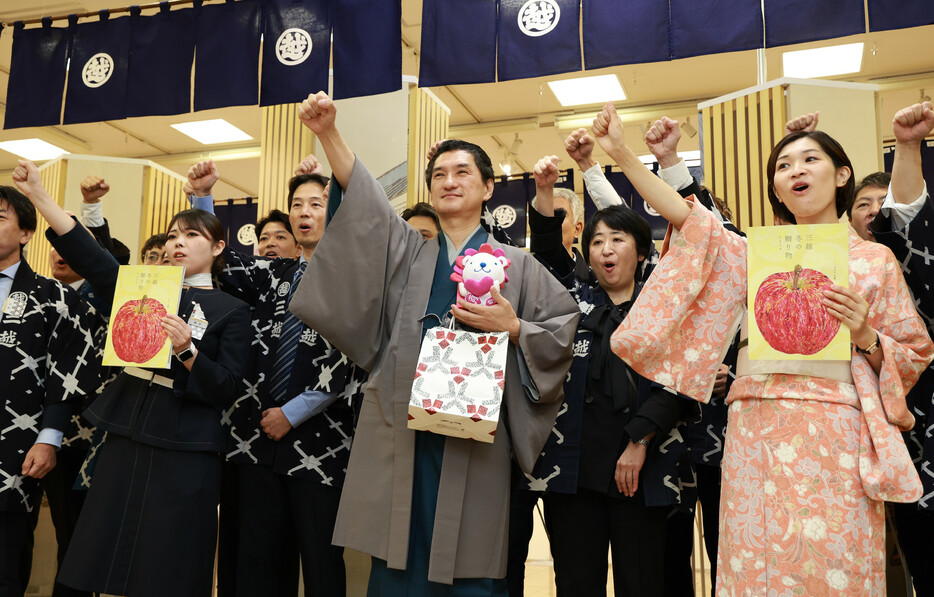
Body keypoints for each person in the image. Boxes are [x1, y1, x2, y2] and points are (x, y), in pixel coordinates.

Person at [595, 102, 934, 594]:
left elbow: (914, 353)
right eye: (782, 165)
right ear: (776, 187)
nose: (794, 170)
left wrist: (867, 336)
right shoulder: (756, 253)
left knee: (836, 561)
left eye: (809, 160)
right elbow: (690, 219)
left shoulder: (873, 259)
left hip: (836, 431)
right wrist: (622, 153)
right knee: (756, 563)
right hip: (757, 429)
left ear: (842, 176)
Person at [289, 91, 579, 594]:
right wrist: (328, 133)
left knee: (469, 561)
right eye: (440, 174)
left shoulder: (522, 266)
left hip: (478, 435)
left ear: (489, 187)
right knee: (399, 553)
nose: (449, 181)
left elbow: (559, 332)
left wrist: (514, 328)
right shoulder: (406, 252)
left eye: (463, 172)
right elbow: (367, 204)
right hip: (403, 425)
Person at [14, 159, 252, 597]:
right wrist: (38, 195)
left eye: (192, 235)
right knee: (104, 552)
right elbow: (93, 258)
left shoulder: (232, 310)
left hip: (186, 447)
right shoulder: (147, 287)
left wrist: (187, 352)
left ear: (219, 248)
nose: (179, 242)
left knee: (171, 563)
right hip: (126, 433)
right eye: (174, 235)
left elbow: (226, 387)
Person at [185, 158, 365, 597]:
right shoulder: (274, 274)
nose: (304, 212)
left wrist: (294, 411)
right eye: (297, 205)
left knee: (321, 563)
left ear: (337, 210)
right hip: (255, 441)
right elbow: (220, 263)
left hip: (321, 444)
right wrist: (203, 198)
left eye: (317, 204)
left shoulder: (357, 279)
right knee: (257, 560)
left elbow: (356, 357)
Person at [527, 154, 694, 596]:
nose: (604, 249)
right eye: (597, 241)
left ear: (640, 251)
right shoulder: (572, 301)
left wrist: (639, 441)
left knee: (642, 582)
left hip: (643, 464)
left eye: (616, 239)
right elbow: (545, 251)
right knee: (577, 582)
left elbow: (680, 378)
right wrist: (545, 192)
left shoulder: (662, 305)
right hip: (574, 467)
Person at [0, 184, 100, 597]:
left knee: (5, 559)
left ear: (26, 233)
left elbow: (68, 374)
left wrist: (50, 438)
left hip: (15, 443)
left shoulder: (53, 296)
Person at [869, 101, 934, 596]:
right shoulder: (840, 275)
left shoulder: (916, 263)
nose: (876, 215)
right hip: (894, 443)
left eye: (882, 206)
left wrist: (908, 146)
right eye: (864, 209)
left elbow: (910, 222)